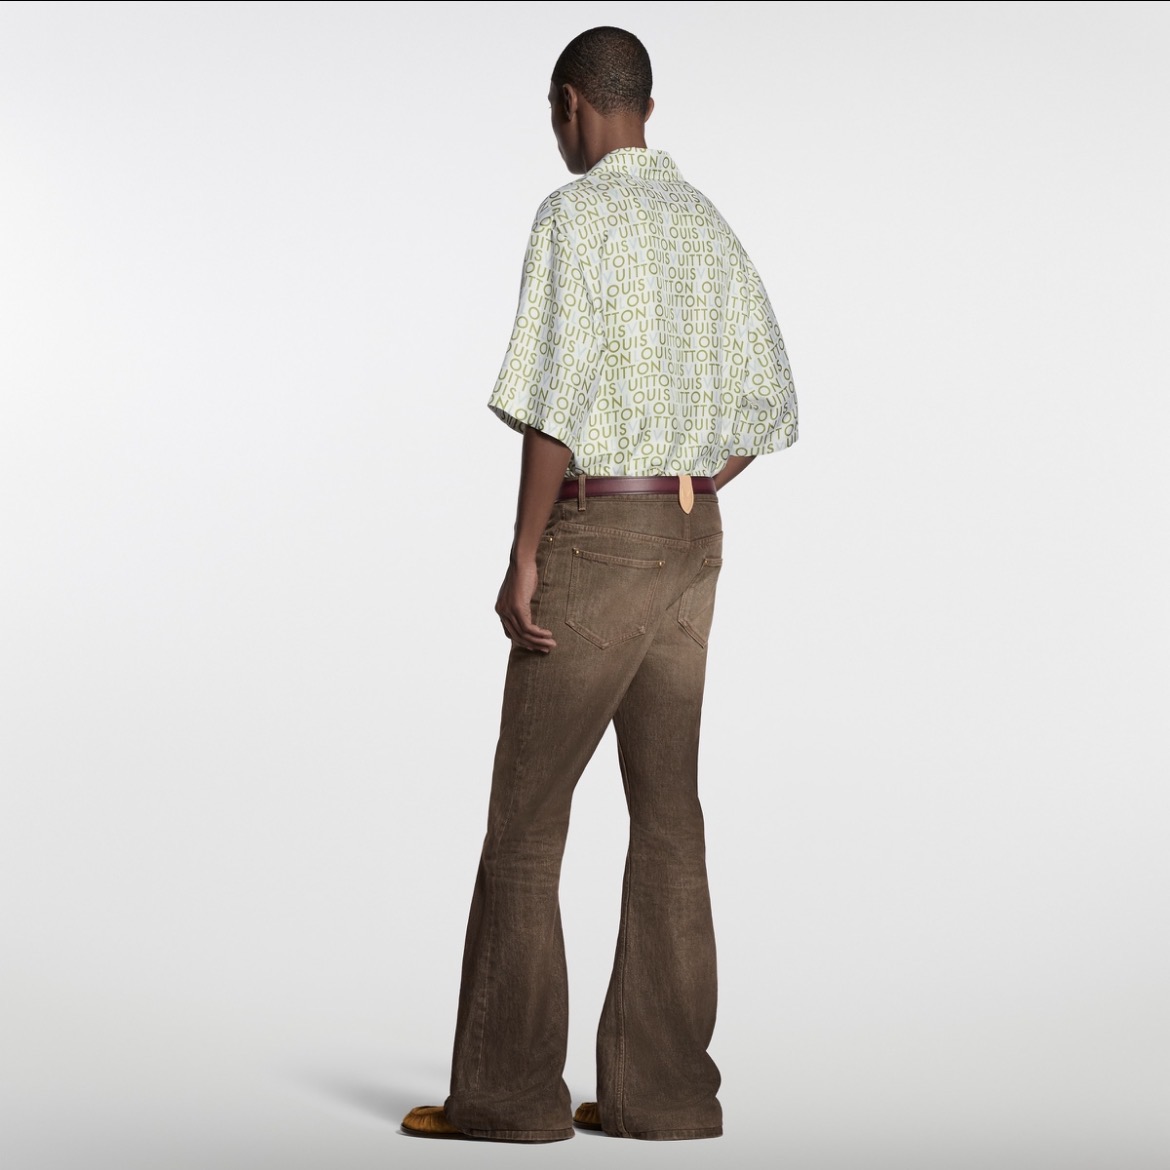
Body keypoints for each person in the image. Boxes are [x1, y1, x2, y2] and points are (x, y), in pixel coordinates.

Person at [403, 25, 798, 1143]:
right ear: (649, 109)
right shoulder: (706, 224)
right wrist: (692, 476)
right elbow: (768, 398)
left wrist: (527, 550)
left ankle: (508, 1097)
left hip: (598, 534)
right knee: (669, 817)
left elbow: (553, 403)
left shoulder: (572, 217)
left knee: (527, 825)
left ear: (571, 104)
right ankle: (662, 1094)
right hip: (690, 535)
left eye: (556, 115)